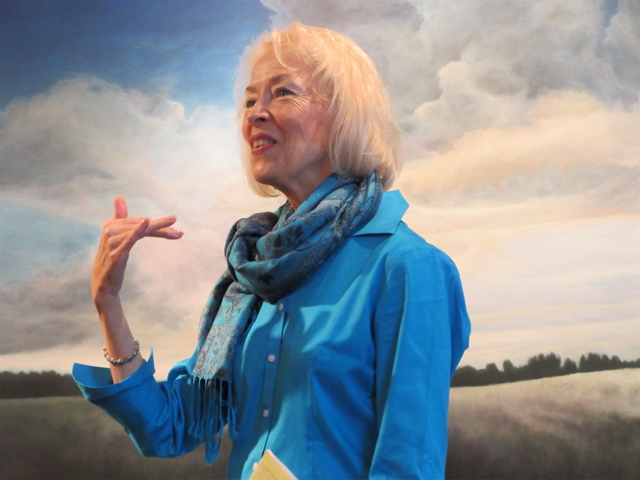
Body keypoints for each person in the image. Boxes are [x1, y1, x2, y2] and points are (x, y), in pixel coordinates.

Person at [73, 22, 471, 480]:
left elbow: (410, 468)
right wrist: (107, 301)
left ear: (345, 115)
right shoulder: (255, 272)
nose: (255, 115)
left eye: (282, 92)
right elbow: (169, 428)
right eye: (249, 101)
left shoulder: (409, 268)